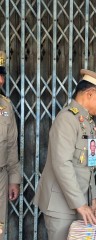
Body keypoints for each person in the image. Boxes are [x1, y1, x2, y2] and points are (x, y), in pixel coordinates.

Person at [33, 69, 96, 240]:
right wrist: (80, 204)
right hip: (61, 206)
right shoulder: (67, 119)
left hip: (80, 204)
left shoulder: (88, 123)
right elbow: (62, 164)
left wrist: (92, 199)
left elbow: (89, 166)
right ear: (90, 93)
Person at [0, 51, 21, 239]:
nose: (0, 81)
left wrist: (14, 178)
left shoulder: (6, 107)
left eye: (1, 76)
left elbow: (12, 145)